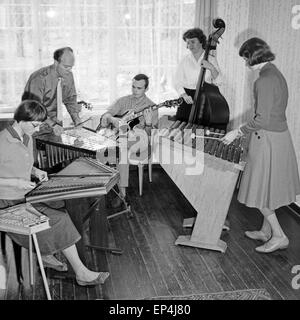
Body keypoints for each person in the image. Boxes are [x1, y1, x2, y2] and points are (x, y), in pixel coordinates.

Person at [0, 100, 109, 286]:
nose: (36, 130)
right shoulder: (2, 142)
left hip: (22, 197)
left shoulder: (26, 137)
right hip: (7, 202)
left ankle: (45, 252)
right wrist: (17, 182)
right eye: (34, 125)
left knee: (58, 207)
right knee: (58, 219)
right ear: (21, 120)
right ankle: (81, 273)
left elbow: (18, 163)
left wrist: (35, 171)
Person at [222, 37, 300, 253]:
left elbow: (262, 119)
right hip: (279, 138)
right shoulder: (275, 73)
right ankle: (266, 231)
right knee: (269, 189)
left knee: (258, 190)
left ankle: (279, 235)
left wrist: (237, 132)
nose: (245, 62)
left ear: (251, 56)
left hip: (267, 139)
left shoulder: (264, 80)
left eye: (245, 57)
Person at [99, 74, 158, 199]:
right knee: (118, 147)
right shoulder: (123, 101)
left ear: (146, 89)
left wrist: (148, 123)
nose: (135, 90)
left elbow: (149, 136)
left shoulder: (152, 107)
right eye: (133, 87)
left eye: (139, 88)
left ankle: (122, 194)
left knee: (122, 147)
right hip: (123, 138)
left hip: (141, 142)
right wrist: (112, 119)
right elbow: (106, 115)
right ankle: (100, 186)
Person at [22, 47, 82, 136]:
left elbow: (70, 100)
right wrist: (52, 124)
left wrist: (76, 119)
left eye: (71, 67)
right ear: (56, 62)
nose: (69, 70)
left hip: (55, 126)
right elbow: (34, 108)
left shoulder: (68, 75)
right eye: (66, 67)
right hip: (34, 126)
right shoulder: (38, 77)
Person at [173, 28, 222, 122]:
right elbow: (177, 81)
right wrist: (184, 95)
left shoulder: (211, 59)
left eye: (192, 42)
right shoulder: (184, 60)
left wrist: (211, 67)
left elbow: (219, 81)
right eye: (187, 43)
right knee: (183, 130)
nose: (190, 45)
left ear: (201, 41)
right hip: (187, 98)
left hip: (204, 98)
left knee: (200, 131)